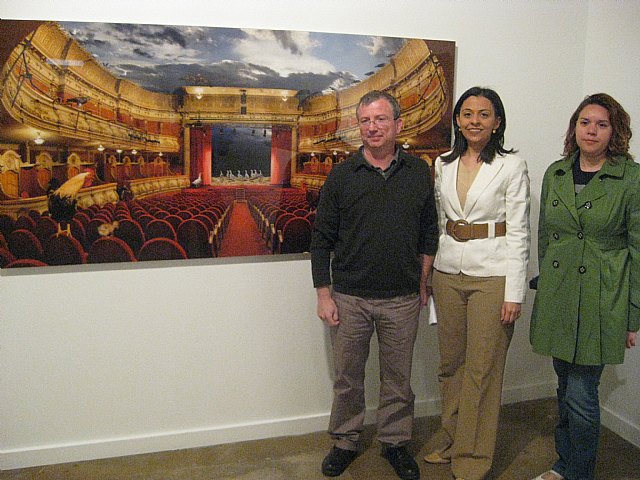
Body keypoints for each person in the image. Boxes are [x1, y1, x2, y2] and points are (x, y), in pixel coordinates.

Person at [310, 90, 439, 480]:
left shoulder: (418, 172)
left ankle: (395, 442)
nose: (372, 127)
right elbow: (321, 238)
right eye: (365, 120)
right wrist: (323, 293)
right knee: (348, 378)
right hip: (349, 298)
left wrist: (423, 283)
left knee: (398, 379)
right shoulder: (342, 175)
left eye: (380, 119)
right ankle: (346, 440)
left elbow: (428, 233)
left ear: (397, 125)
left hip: (401, 299)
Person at [530, 93, 639, 480]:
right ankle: (565, 464)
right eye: (584, 122)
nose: (591, 131)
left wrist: (633, 313)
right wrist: (546, 287)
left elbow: (638, 249)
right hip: (559, 293)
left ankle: (578, 472)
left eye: (601, 124)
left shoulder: (632, 178)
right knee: (564, 387)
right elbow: (546, 239)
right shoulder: (556, 173)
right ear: (574, 128)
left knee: (580, 391)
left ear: (615, 132)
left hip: (602, 296)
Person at [424, 86, 530, 480]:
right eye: (467, 113)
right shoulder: (443, 163)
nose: (474, 121)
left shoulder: (511, 165)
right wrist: (431, 276)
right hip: (448, 274)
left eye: (484, 114)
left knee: (482, 370)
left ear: (497, 122)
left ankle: (472, 459)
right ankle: (452, 440)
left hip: (492, 277)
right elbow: (437, 223)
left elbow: (519, 232)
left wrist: (513, 293)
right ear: (457, 120)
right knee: (451, 365)